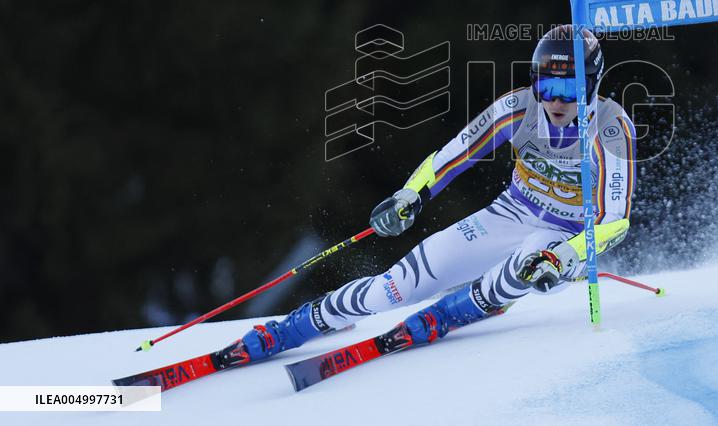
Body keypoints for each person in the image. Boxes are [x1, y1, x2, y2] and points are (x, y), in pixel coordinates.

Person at [239, 24, 637, 360]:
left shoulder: (611, 130)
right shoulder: (518, 109)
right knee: (395, 286)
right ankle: (301, 325)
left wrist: (569, 252)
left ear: (593, 84)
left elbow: (615, 223)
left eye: (570, 90)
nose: (556, 101)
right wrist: (411, 194)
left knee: (531, 259)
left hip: (565, 237)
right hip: (510, 213)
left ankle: (457, 310)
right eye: (546, 86)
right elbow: (451, 157)